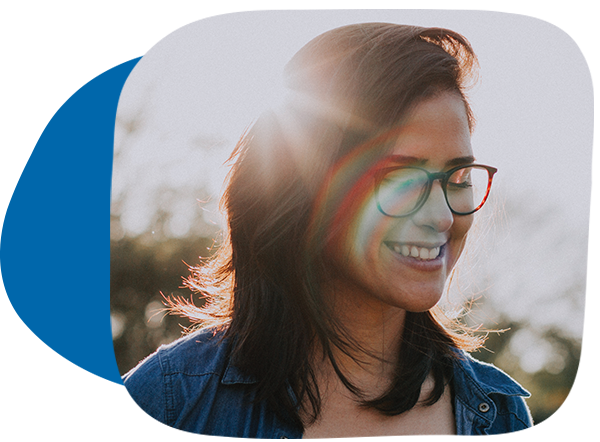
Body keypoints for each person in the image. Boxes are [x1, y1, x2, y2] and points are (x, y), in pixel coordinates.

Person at [123, 22, 532, 437]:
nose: (442, 217)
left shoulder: (501, 416)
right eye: (399, 179)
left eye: (459, 177)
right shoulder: (169, 402)